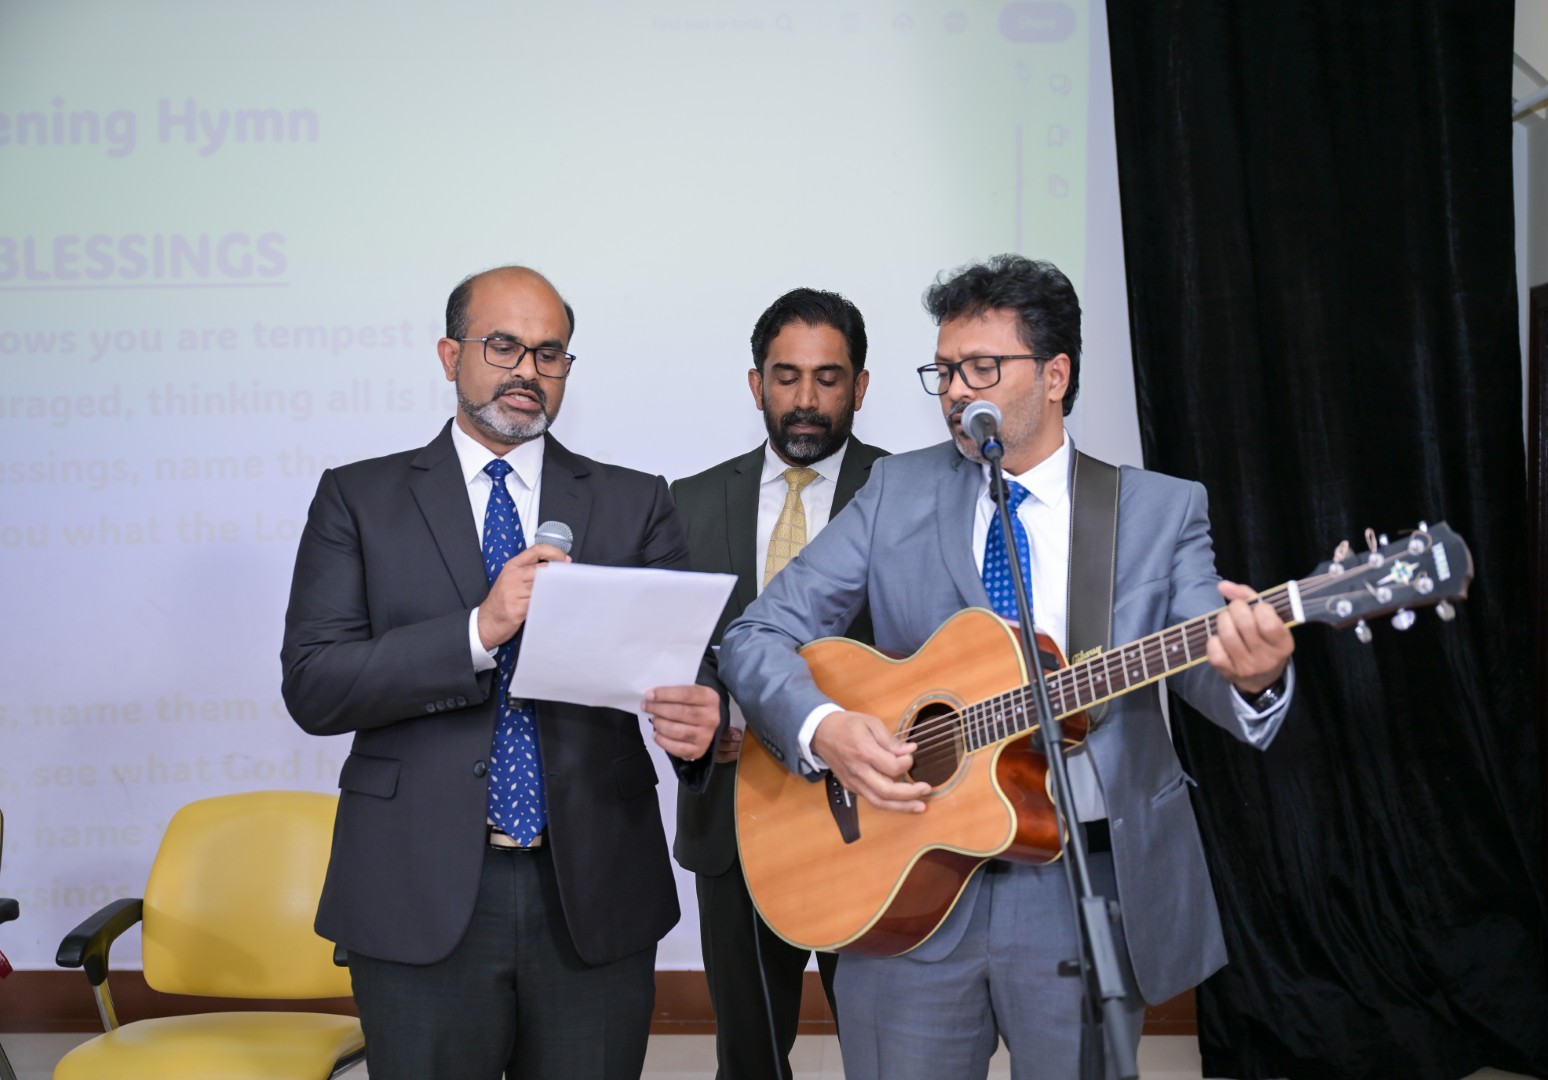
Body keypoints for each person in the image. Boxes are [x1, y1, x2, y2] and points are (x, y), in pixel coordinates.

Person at [719, 254, 1296, 1078]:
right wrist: (826, 728)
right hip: (902, 868)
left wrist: (1253, 674)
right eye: (945, 370)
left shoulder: (1158, 512)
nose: (956, 390)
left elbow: (1205, 655)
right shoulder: (895, 490)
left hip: (1079, 885)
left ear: (1055, 375)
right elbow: (756, 634)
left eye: (981, 368)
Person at [280, 265, 722, 1080]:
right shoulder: (359, 499)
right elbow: (315, 684)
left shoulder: (634, 502)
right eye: (504, 346)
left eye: (549, 353)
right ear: (450, 356)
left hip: (593, 887)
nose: (528, 370)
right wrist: (477, 631)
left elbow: (691, 669)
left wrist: (703, 720)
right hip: (416, 886)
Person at [671, 288, 889, 1078]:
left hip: (875, 818)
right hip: (737, 813)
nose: (805, 400)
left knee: (892, 1049)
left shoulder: (907, 492)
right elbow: (674, 645)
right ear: (755, 383)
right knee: (750, 1057)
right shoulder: (688, 501)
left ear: (860, 386)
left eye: (828, 379)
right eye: (786, 376)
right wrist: (705, 710)